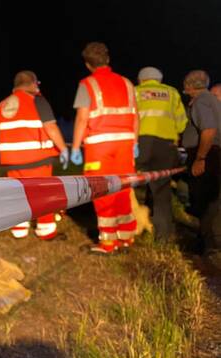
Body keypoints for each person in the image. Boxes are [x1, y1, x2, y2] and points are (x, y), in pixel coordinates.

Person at [70, 42, 139, 254]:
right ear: (108, 59)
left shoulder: (87, 84)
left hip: (100, 145)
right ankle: (126, 238)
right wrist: (135, 142)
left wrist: (74, 147)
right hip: (125, 144)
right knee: (123, 187)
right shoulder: (127, 83)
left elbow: (82, 118)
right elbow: (135, 115)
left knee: (102, 189)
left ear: (88, 65)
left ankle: (108, 243)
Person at [0, 70, 69, 240]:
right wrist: (63, 149)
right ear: (33, 83)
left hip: (11, 160)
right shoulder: (37, 100)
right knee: (43, 194)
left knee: (17, 194)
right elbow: (50, 127)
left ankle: (19, 230)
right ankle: (46, 230)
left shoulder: (1, 107)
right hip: (36, 158)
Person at [134, 67, 187, 240]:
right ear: (159, 79)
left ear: (141, 80)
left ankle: (126, 228)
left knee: (126, 184)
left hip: (139, 143)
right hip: (166, 146)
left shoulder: (135, 91)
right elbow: (181, 123)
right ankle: (162, 236)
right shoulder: (171, 92)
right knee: (162, 191)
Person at [181, 70, 221, 266]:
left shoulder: (201, 101)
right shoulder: (211, 101)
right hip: (213, 155)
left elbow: (209, 129)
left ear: (189, 86)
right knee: (211, 203)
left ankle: (207, 247)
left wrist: (200, 158)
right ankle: (208, 244)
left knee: (204, 203)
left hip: (207, 156)